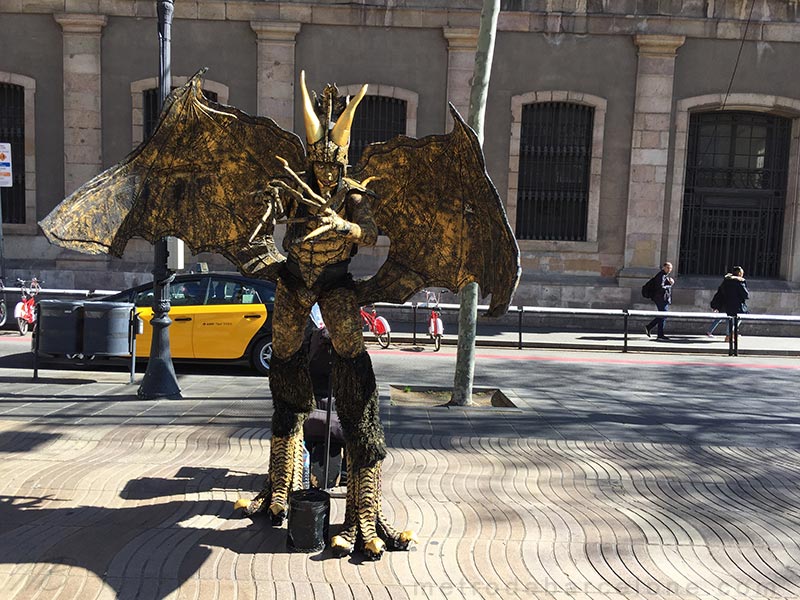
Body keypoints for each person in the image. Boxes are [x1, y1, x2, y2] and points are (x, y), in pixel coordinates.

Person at [236, 73, 413, 559]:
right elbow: (268, 219)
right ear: (311, 161)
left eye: (332, 166)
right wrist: (269, 204)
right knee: (287, 382)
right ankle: (278, 492)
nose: (326, 173)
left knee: (356, 388)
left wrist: (347, 224)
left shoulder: (353, 191)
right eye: (320, 165)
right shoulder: (295, 185)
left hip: (335, 285)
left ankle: (364, 515)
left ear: (341, 163)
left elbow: (373, 234)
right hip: (293, 282)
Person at [717, 266, 749, 341]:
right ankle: (729, 335)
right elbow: (745, 294)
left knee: (730, 319)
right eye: (742, 273)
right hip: (737, 304)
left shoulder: (726, 281)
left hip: (728, 303)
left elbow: (720, 292)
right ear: (739, 273)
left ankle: (731, 334)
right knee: (738, 318)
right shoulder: (739, 282)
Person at [644, 262, 675, 340]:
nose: (669, 270)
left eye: (670, 268)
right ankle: (657, 332)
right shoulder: (661, 276)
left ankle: (655, 330)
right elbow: (660, 288)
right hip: (660, 298)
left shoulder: (664, 276)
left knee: (663, 315)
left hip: (663, 298)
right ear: (663, 267)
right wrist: (670, 285)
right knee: (663, 315)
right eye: (668, 268)